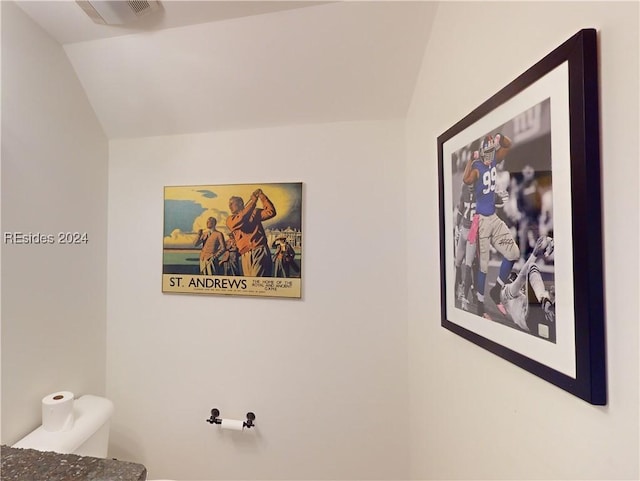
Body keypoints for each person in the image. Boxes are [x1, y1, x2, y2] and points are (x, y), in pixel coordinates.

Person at [463, 133, 520, 319]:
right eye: (485, 151)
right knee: (483, 266)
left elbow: (508, 143)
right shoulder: (478, 167)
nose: (489, 154)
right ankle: (480, 306)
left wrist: (499, 137)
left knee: (513, 253)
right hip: (482, 222)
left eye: (490, 150)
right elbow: (467, 180)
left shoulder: (494, 159)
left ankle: (497, 290)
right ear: (481, 152)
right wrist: (470, 162)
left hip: (494, 218)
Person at [500, 236, 555, 331]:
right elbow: (521, 278)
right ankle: (544, 300)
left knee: (553, 291)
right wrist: (534, 254)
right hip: (529, 316)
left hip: (533, 323)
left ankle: (547, 305)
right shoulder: (506, 291)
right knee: (531, 267)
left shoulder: (514, 302)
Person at [226, 188, 276, 277]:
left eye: (232, 203)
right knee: (250, 283)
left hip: (259, 249)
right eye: (229, 204)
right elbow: (240, 220)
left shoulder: (254, 212)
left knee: (258, 282)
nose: (230, 206)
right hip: (245, 254)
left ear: (240, 203)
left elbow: (270, 212)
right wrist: (253, 202)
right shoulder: (230, 219)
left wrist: (262, 196)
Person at [453, 183, 477, 310]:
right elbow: (461, 209)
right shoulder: (465, 188)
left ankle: (465, 298)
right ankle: (459, 288)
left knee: (468, 265)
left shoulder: (481, 190)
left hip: (473, 230)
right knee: (458, 262)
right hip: (464, 229)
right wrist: (457, 226)